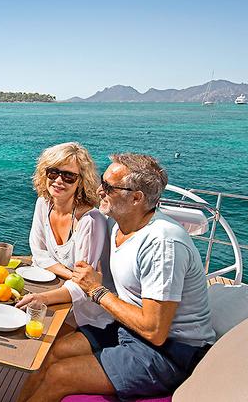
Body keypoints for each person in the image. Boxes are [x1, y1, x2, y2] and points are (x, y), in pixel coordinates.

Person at [20, 153, 215, 402]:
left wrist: (97, 291)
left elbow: (155, 330)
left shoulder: (163, 244)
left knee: (60, 374)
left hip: (173, 352)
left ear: (136, 198)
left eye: (109, 187)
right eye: (102, 182)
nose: (99, 190)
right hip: (128, 330)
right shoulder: (120, 225)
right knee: (53, 352)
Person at [19, 142, 113, 328]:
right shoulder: (43, 204)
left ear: (81, 181)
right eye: (53, 172)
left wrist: (43, 297)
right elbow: (39, 255)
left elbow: (84, 286)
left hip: (86, 312)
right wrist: (71, 275)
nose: (59, 180)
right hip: (58, 290)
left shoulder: (90, 221)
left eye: (69, 176)